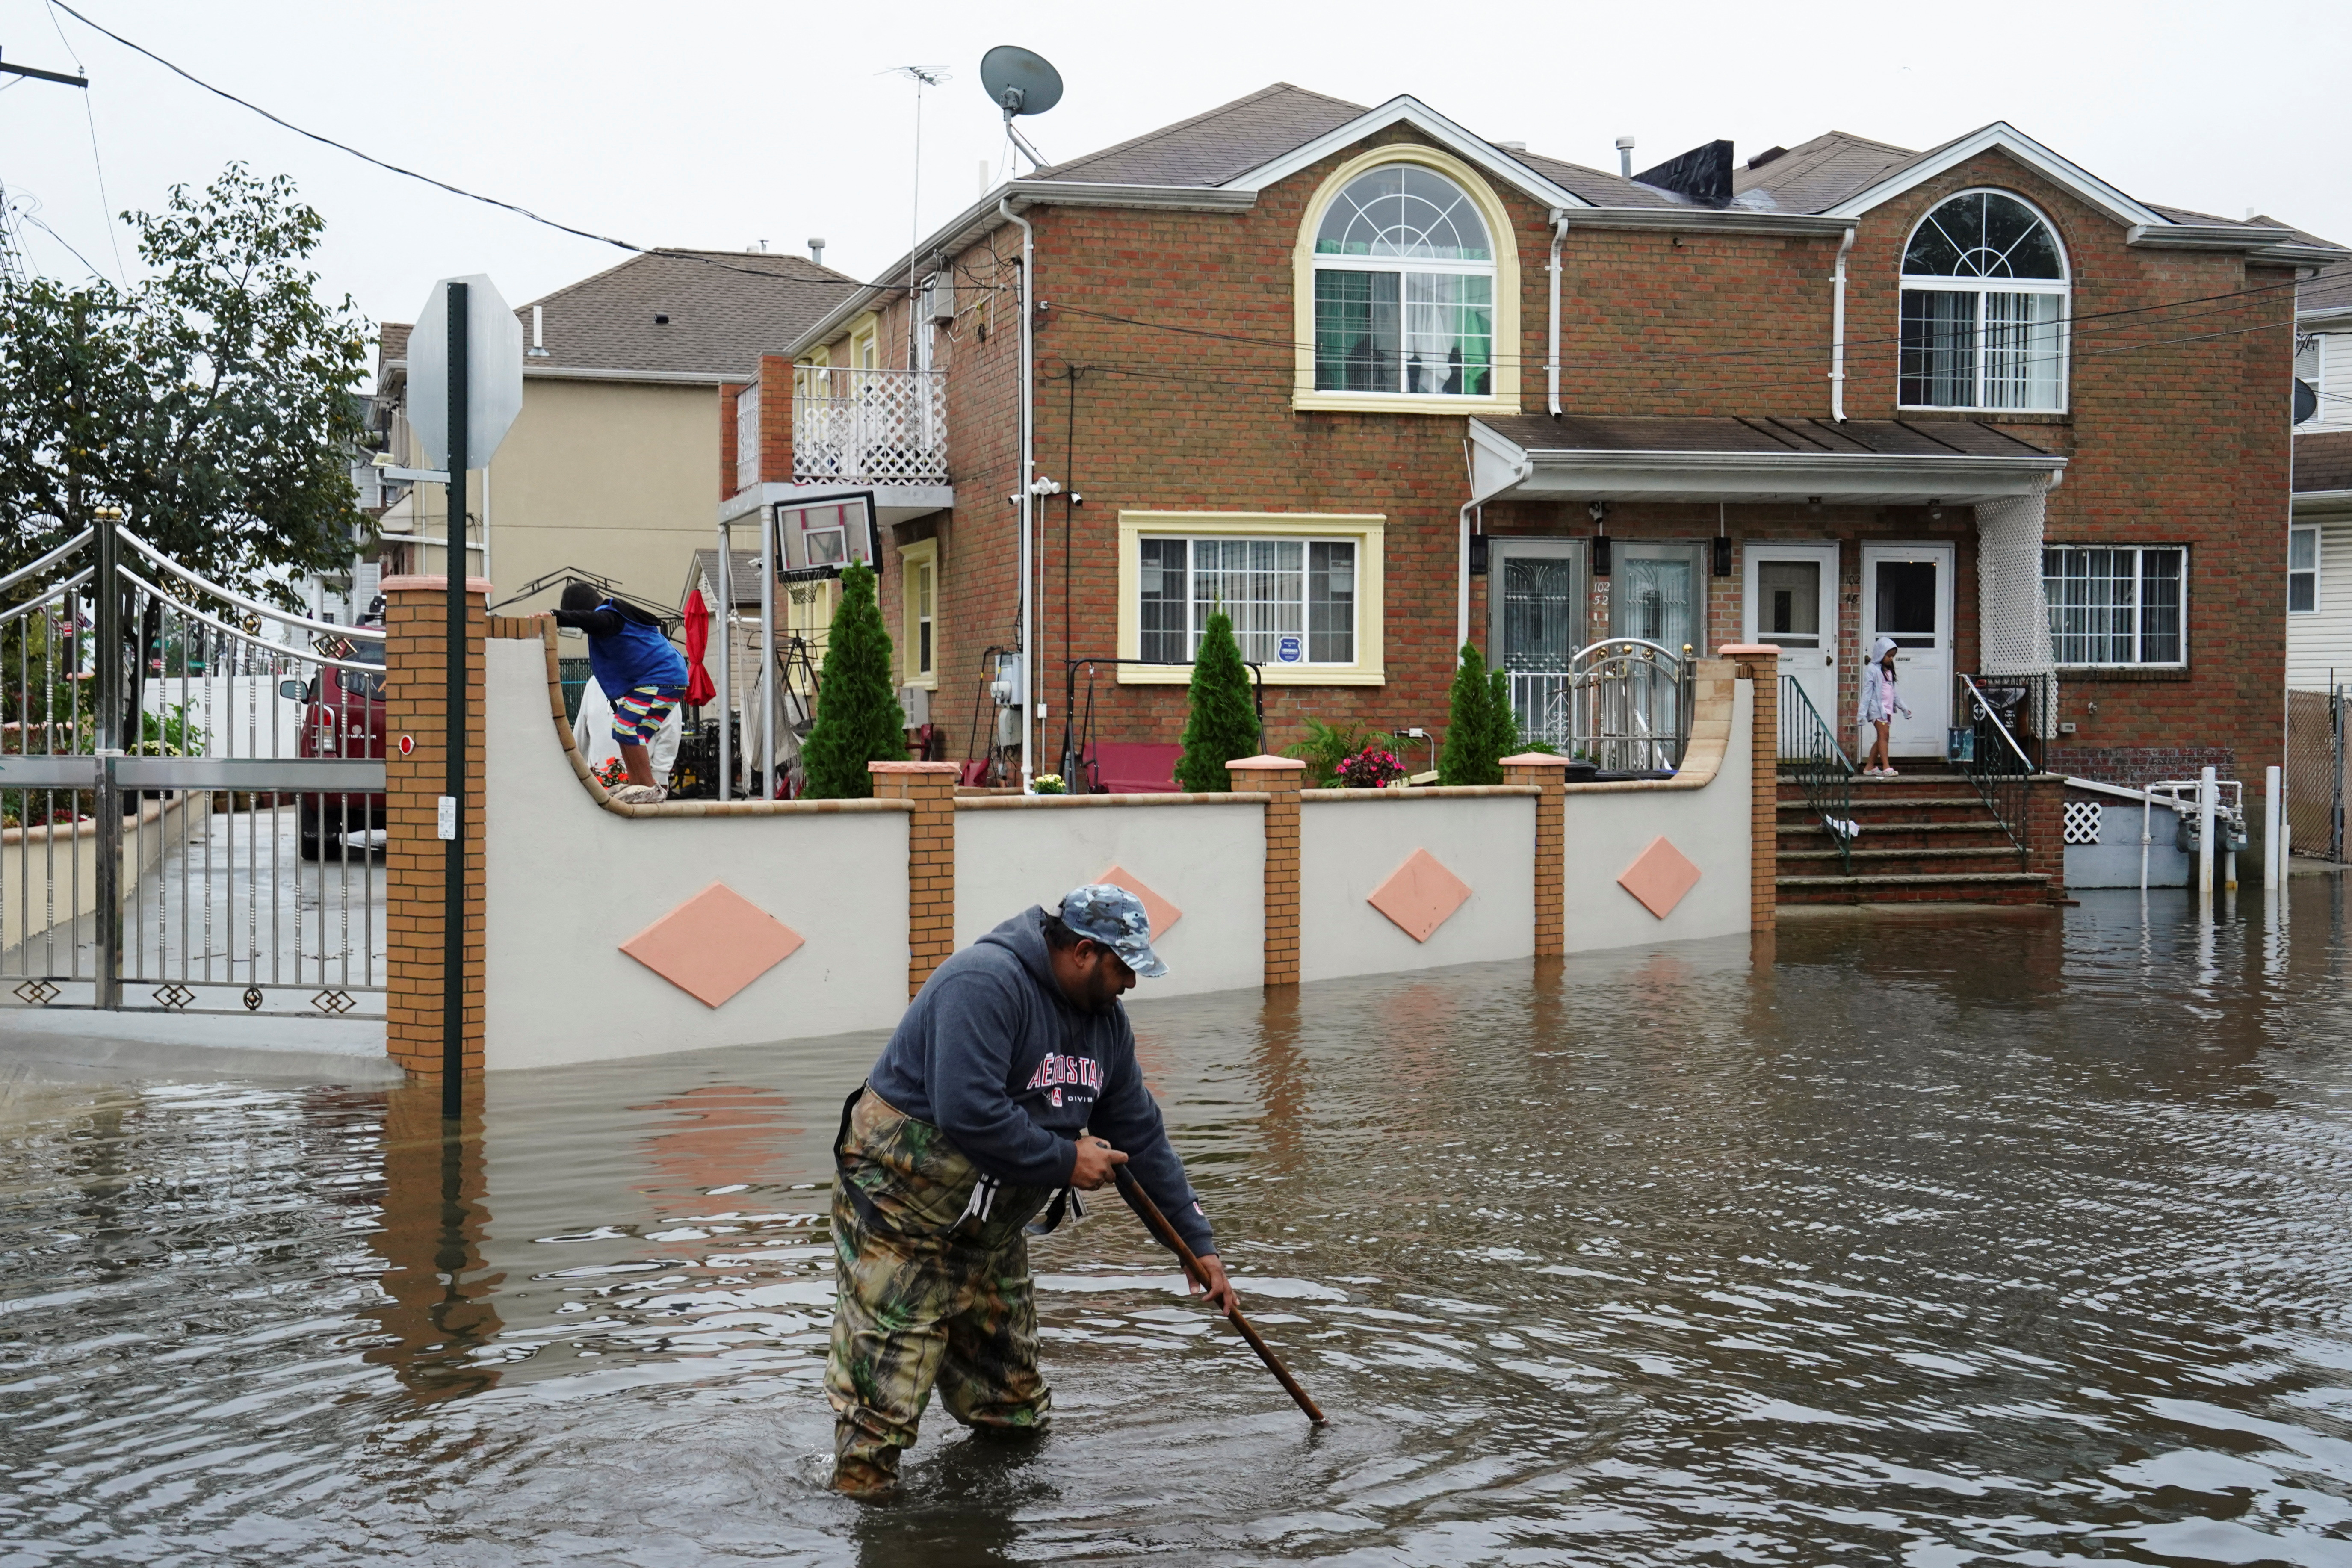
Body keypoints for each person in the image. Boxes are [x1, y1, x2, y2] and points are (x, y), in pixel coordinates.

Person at [825, 884, 1234, 1495]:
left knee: (1016, 1413)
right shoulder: (983, 982)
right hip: (901, 1223)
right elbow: (967, 1109)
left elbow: (1141, 1139)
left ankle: (982, 1530)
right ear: (1085, 951)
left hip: (988, 1233)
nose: (1130, 984)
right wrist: (1066, 1159)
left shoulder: (1107, 1028)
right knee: (877, 1432)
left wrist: (1195, 1244)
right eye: (1124, 968)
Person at [547, 583, 688, 804]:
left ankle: (649, 786)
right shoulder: (617, 621)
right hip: (664, 677)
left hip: (663, 677)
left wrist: (555, 616)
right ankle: (637, 785)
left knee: (625, 726)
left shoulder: (610, 617)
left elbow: (595, 621)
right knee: (625, 731)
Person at [1859, 634, 1912, 777]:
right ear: (1880, 654)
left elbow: (1893, 694)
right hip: (1877, 710)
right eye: (1889, 656)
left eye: (1893, 656)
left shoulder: (1888, 672)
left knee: (1882, 738)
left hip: (1887, 711)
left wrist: (1904, 709)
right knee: (1884, 736)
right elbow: (1867, 693)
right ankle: (1886, 767)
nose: (1891, 659)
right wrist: (1862, 714)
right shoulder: (1872, 670)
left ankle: (1869, 767)